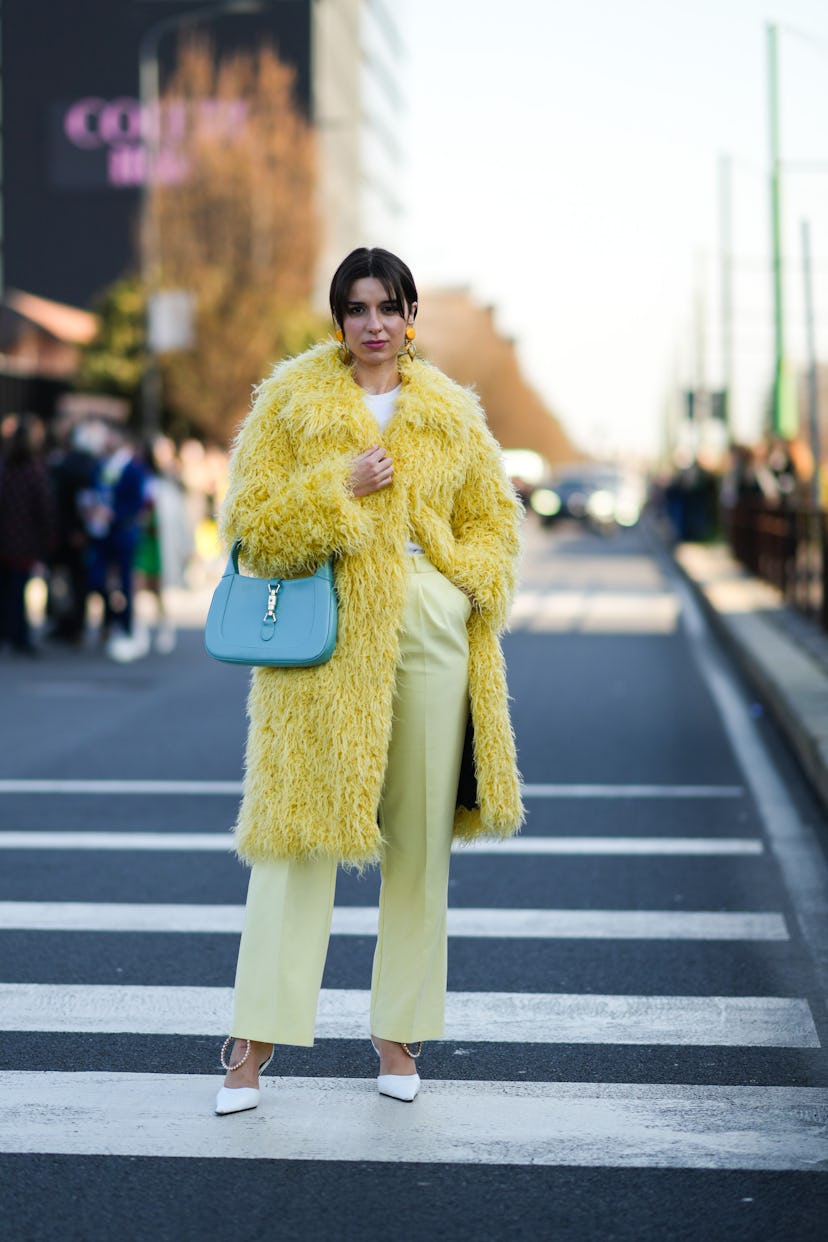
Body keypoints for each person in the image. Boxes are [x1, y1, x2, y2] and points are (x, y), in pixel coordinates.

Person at [215, 248, 523, 1117]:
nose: (375, 323)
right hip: (326, 633)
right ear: (338, 319)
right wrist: (336, 487)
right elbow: (249, 528)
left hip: (430, 628)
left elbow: (496, 524)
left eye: (389, 306)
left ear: (411, 314)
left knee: (420, 844)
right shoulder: (290, 402)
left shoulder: (453, 412)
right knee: (295, 837)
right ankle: (252, 1042)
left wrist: (460, 578)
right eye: (357, 308)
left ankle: (399, 1033)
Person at [0, 414, 54, 655]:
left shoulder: (5, 467)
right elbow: (43, 506)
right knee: (18, 590)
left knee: (7, 589)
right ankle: (19, 636)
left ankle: (9, 633)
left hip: (6, 538)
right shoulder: (34, 470)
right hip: (24, 540)